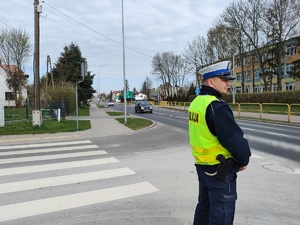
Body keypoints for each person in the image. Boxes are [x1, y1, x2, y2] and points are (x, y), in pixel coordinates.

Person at [188, 61, 251, 225]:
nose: (228, 83)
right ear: (210, 82)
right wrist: (243, 159)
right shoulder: (216, 106)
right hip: (220, 169)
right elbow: (233, 138)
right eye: (224, 80)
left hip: (202, 166)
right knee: (221, 214)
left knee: (205, 207)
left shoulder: (196, 102)